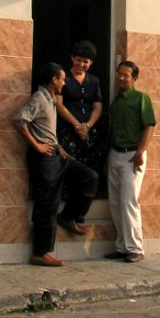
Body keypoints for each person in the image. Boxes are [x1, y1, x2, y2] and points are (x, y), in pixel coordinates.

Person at [12, 62, 70, 266]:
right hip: (44, 159)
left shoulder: (51, 100)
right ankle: (40, 252)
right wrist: (36, 145)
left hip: (55, 153)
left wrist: (57, 145)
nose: (64, 82)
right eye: (62, 78)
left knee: (88, 177)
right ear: (54, 79)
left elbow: (46, 128)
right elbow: (19, 120)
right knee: (46, 203)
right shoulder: (39, 98)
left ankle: (71, 216)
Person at [104, 60, 156, 264]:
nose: (121, 78)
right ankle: (121, 247)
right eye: (119, 74)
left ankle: (135, 248)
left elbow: (149, 126)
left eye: (125, 75)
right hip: (115, 154)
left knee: (129, 201)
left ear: (134, 79)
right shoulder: (116, 103)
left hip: (133, 155)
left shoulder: (141, 99)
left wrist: (140, 152)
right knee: (115, 202)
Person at [54, 41, 102, 235]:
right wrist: (76, 124)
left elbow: (98, 106)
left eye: (86, 62)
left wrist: (88, 125)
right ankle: (67, 213)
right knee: (70, 170)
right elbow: (59, 104)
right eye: (79, 60)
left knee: (90, 174)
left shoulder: (94, 82)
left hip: (88, 133)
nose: (82, 64)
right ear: (72, 58)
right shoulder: (63, 79)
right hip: (68, 132)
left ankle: (77, 214)